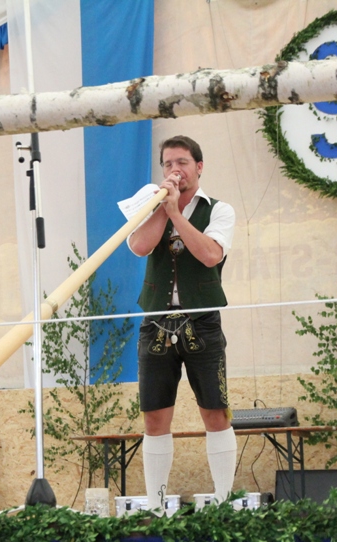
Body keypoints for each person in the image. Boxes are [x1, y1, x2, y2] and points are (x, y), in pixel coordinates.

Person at [127, 135, 238, 513]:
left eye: (182, 163)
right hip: (156, 320)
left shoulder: (219, 210)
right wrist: (163, 208)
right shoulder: (151, 206)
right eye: (168, 164)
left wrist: (177, 214)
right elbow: (139, 247)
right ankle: (156, 506)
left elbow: (210, 255)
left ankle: (223, 501)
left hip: (202, 320)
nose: (175, 170)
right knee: (155, 415)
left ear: (199, 167)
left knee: (215, 410)